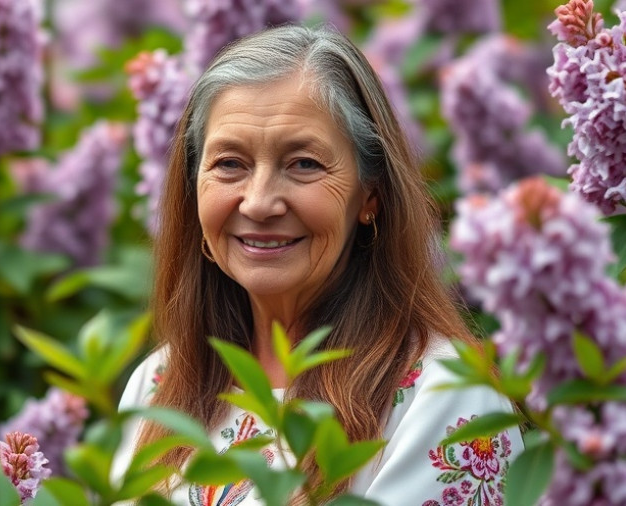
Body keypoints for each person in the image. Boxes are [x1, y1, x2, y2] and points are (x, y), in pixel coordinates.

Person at [115, 24, 523, 505]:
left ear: (370, 195)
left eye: (304, 163)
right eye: (230, 163)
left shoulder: (446, 398)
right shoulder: (162, 381)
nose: (260, 202)